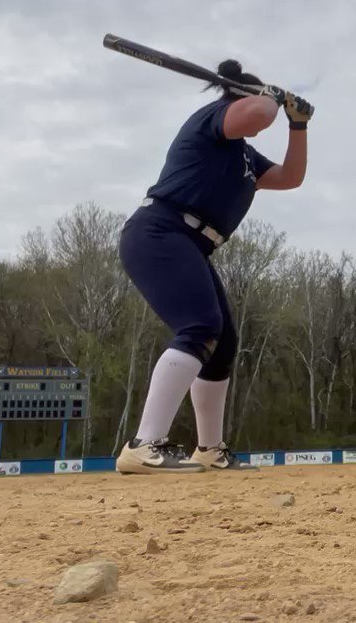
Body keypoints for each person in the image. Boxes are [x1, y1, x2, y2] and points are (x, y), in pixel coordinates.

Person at [114, 59, 314, 474]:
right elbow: (258, 113)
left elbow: (291, 177)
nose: (266, 116)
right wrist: (273, 97)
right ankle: (143, 443)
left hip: (191, 243)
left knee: (222, 344)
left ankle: (208, 449)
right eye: (260, 102)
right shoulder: (212, 118)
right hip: (161, 229)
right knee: (201, 327)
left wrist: (299, 125)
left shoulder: (243, 153)